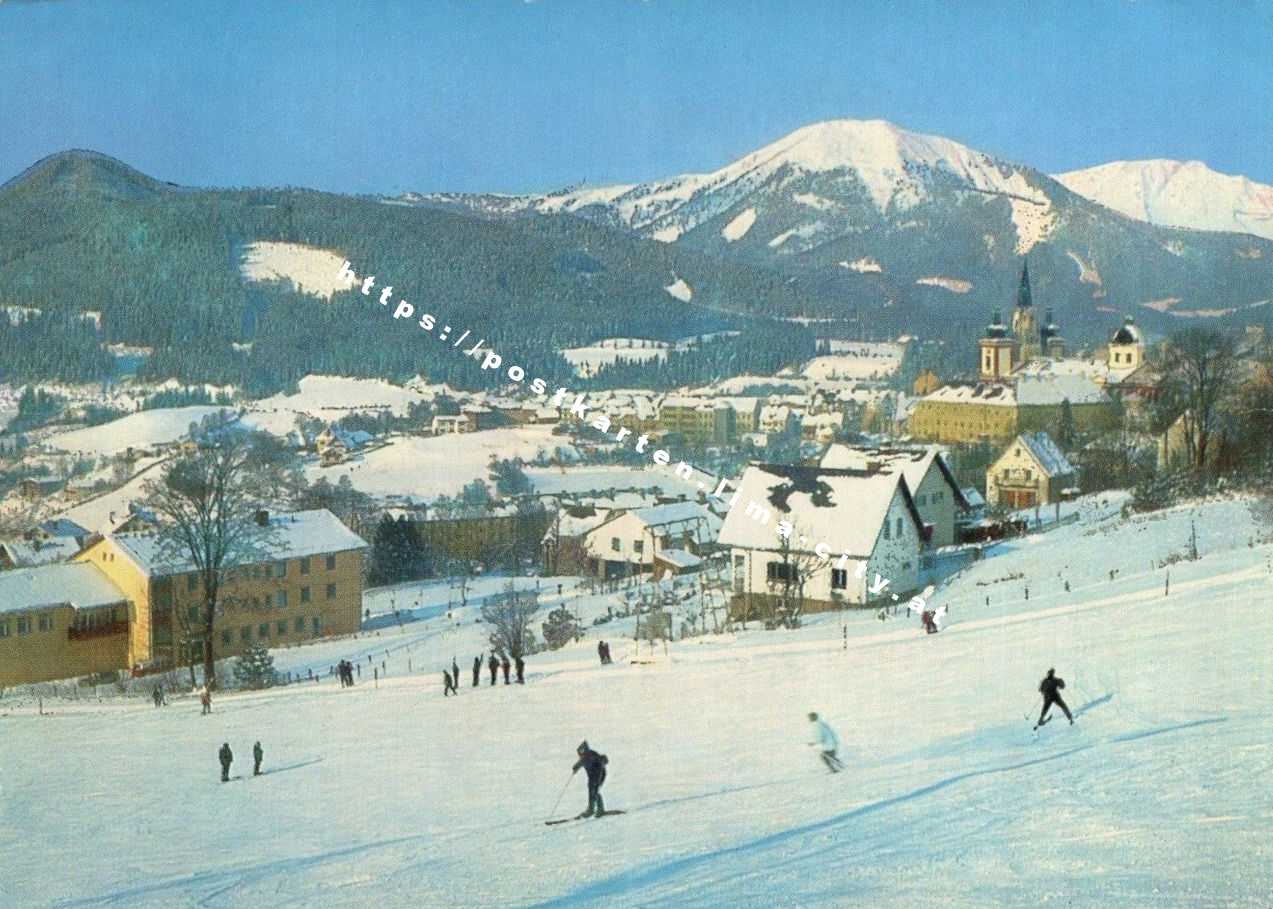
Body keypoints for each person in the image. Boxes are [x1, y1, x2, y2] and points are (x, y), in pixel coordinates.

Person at [572, 740, 609, 817]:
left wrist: (598, 781)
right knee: (593, 791)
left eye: (581, 753)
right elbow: (580, 763)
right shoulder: (585, 756)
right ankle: (594, 809)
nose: (580, 755)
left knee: (594, 791)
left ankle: (593, 810)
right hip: (593, 776)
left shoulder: (591, 755)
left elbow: (601, 763)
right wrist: (575, 768)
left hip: (599, 775)